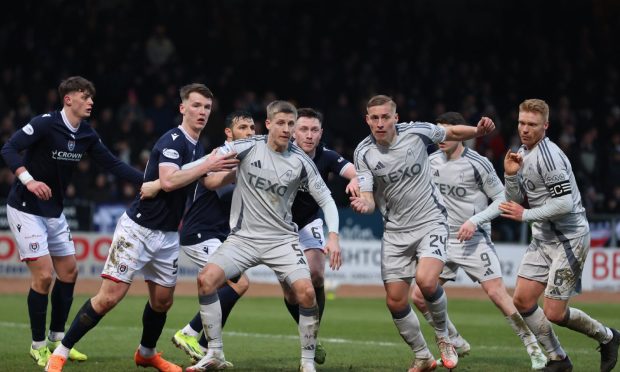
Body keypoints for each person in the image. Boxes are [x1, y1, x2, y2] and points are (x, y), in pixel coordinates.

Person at [44, 83, 239, 372]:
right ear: (182, 108)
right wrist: (208, 162)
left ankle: (146, 354)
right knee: (109, 297)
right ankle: (60, 350)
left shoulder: (197, 144)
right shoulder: (173, 140)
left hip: (169, 234)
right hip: (138, 229)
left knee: (162, 301)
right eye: (196, 105)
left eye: (207, 107)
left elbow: (207, 181)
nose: (202, 112)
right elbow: (171, 181)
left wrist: (233, 172)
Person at [185, 101, 342, 372]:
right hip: (243, 238)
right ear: (268, 124)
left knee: (306, 294)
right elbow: (208, 161)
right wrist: (174, 177)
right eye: (280, 123)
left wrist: (334, 235)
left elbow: (326, 199)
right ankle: (215, 354)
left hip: (281, 240)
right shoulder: (247, 146)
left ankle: (306, 363)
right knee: (206, 280)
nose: (286, 128)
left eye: (290, 124)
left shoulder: (301, 161)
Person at [0, 76, 144, 368]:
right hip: (26, 207)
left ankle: (57, 340)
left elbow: (113, 164)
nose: (91, 101)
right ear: (68, 99)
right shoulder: (44, 123)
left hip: (54, 210)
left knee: (69, 273)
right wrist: (29, 181)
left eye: (91, 97)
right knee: (43, 277)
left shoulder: (87, 135)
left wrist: (151, 181)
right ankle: (38, 346)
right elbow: (9, 149)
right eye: (84, 96)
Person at [350, 95, 495, 372]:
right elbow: (368, 198)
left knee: (427, 282)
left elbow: (451, 132)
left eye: (385, 117)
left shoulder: (416, 132)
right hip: (395, 231)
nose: (380, 123)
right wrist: (363, 204)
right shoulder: (363, 152)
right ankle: (422, 356)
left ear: (396, 118)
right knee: (395, 301)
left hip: (431, 221)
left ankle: (444, 336)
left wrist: (477, 131)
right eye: (374, 118)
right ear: (367, 120)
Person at [409, 111, 547, 370]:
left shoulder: (478, 163)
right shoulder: (430, 161)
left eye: (448, 132)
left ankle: (533, 346)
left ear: (459, 134)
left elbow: (502, 200)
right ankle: (455, 341)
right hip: (441, 239)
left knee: (497, 293)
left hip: (474, 240)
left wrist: (475, 222)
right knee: (418, 295)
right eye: (438, 132)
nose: (442, 137)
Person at [499, 98, 620, 372]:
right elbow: (516, 198)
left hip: (569, 239)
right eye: (521, 123)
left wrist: (525, 215)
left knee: (554, 313)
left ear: (546, 126)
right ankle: (559, 359)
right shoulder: (524, 152)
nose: (525, 129)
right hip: (543, 238)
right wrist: (510, 176)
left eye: (532, 124)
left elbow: (564, 203)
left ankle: (608, 336)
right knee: (522, 300)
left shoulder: (549, 158)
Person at [168, 110, 255, 362]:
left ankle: (205, 347)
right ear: (229, 133)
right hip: (200, 232)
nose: (249, 132)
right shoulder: (223, 154)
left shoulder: (245, 156)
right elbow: (213, 183)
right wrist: (238, 171)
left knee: (235, 285)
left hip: (217, 233)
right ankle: (190, 333)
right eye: (243, 128)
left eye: (252, 128)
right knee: (237, 283)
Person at [280, 107, 357, 365]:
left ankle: (312, 336)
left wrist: (357, 181)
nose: (309, 135)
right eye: (303, 129)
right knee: (292, 294)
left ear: (321, 132)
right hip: (279, 227)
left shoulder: (326, 156)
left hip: (309, 222)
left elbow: (352, 170)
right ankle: (309, 332)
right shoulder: (280, 153)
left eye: (314, 130)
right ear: (293, 131)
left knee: (316, 274)